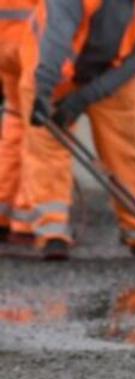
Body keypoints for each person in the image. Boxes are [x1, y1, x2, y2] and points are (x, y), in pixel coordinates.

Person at [21, 0, 135, 260]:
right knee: (46, 150)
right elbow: (56, 37)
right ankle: (53, 233)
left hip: (112, 71)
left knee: (131, 149)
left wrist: (85, 97)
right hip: (52, 65)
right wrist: (44, 92)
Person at [0, 0, 36, 244]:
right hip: (33, 44)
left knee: (15, 124)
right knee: (42, 133)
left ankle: (3, 211)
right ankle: (26, 220)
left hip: (5, 42)